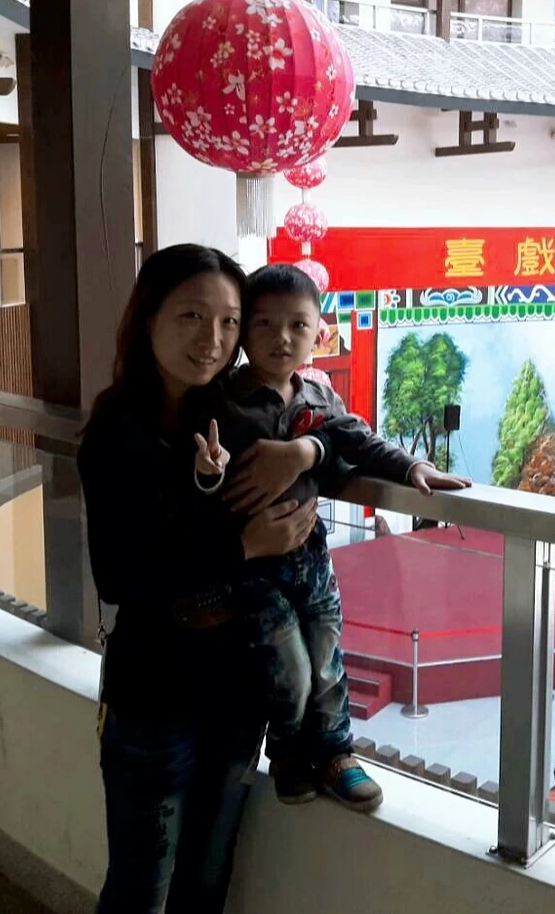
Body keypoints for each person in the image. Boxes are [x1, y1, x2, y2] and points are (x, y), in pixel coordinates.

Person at [78, 245, 341, 914]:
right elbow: (119, 576)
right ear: (148, 319)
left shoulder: (232, 415)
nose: (213, 339)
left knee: (205, 883)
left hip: (236, 690)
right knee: (141, 891)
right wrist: (243, 546)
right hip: (155, 694)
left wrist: (305, 450)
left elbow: (337, 431)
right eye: (192, 316)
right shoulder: (118, 431)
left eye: (229, 321)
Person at [194, 263, 471, 812]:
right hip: (254, 572)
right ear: (244, 331)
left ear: (318, 331)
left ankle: (337, 754)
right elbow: (201, 484)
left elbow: (357, 440)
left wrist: (411, 467)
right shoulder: (221, 402)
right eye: (265, 323)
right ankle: (288, 754)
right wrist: (207, 474)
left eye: (297, 325)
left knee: (326, 660)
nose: (282, 338)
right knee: (291, 670)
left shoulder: (319, 397)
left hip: (313, 560)